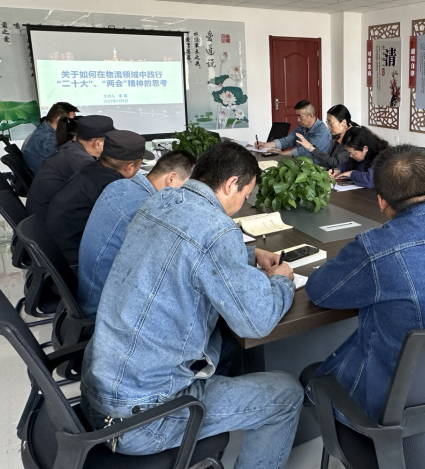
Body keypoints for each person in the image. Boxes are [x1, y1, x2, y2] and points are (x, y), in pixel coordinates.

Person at [81, 141, 302, 469]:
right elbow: (256, 322)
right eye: (245, 195)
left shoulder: (160, 201)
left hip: (99, 393)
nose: (242, 204)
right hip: (143, 420)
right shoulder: (217, 230)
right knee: (286, 394)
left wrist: (248, 254)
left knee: (223, 344)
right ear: (231, 184)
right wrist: (281, 281)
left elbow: (179, 250)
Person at [303, 145, 425, 422]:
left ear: (381, 201)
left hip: (395, 412)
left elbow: (320, 291)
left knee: (313, 375)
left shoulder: (376, 248)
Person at [76, 150, 196, 317]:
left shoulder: (120, 185)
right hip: (105, 308)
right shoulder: (147, 209)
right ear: (171, 178)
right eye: (188, 188)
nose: (188, 196)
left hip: (89, 289)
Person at [46, 130, 153, 268]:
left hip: (57, 248)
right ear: (130, 167)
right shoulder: (114, 189)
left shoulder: (91, 168)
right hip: (75, 262)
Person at [26, 115, 115, 222]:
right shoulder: (82, 161)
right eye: (110, 142)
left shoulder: (72, 148)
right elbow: (107, 193)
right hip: (46, 221)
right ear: (97, 143)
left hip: (41, 213)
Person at [255, 99, 330, 159]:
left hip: (316, 167)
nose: (298, 120)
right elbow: (287, 141)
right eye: (297, 116)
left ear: (310, 115)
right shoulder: (302, 127)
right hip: (301, 162)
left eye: (300, 116)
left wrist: (283, 153)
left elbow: (307, 151)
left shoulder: (322, 131)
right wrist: (265, 145)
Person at [21, 101, 79, 174]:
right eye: (71, 120)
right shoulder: (49, 139)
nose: (73, 124)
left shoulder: (43, 131)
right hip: (46, 177)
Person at [296, 104, 356, 169]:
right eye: (327, 122)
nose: (328, 126)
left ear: (343, 122)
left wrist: (311, 148)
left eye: (330, 122)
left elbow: (335, 163)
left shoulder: (352, 139)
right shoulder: (337, 136)